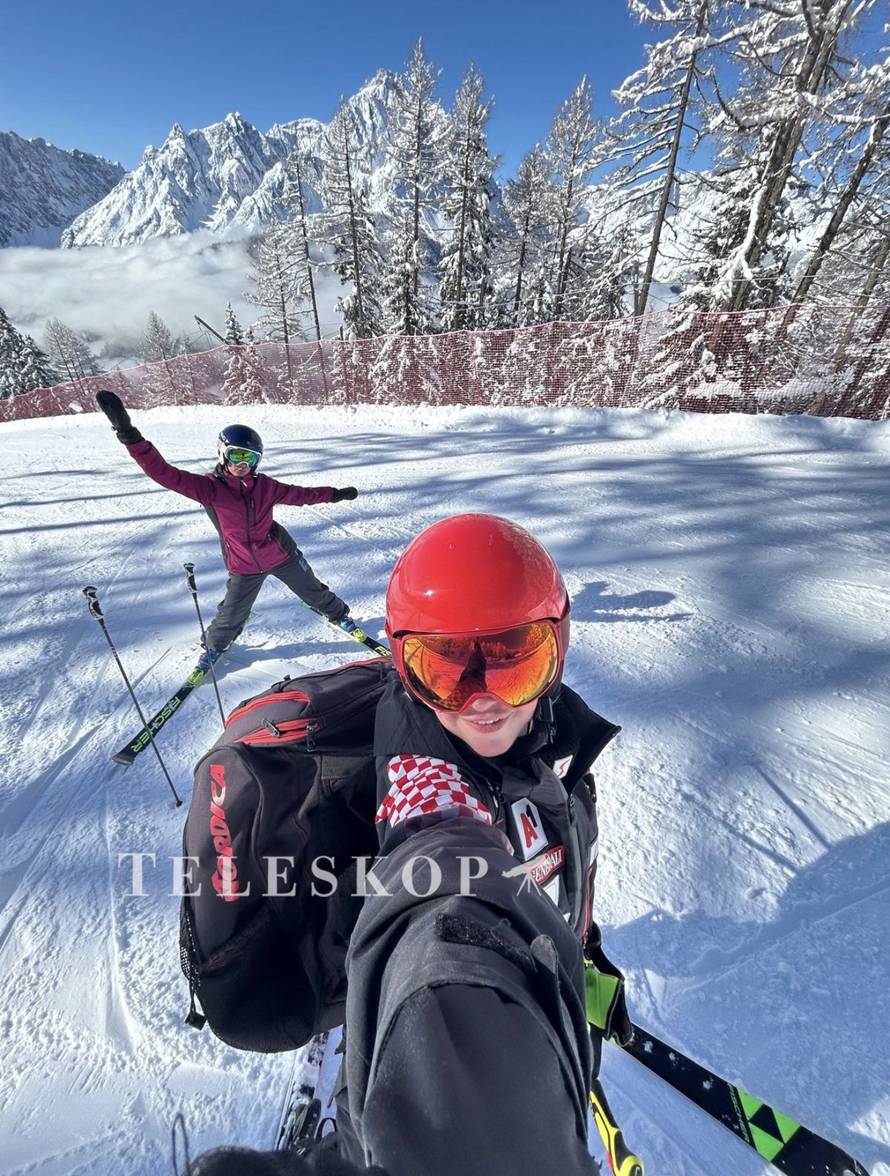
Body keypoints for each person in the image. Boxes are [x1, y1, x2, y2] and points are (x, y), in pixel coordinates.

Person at [187, 514, 628, 1176]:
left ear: (558, 650)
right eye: (446, 669)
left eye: (514, 658)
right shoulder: (423, 794)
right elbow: (446, 885)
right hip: (402, 1000)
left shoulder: (544, 738)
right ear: (401, 662)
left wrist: (577, 945)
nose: (483, 702)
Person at [95, 390, 360, 670]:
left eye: (250, 458)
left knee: (313, 590)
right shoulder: (210, 489)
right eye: (236, 456)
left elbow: (301, 494)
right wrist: (129, 435)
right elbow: (163, 473)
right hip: (244, 565)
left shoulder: (265, 486)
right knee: (232, 614)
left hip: (281, 555)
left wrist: (334, 494)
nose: (242, 464)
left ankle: (338, 615)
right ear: (223, 454)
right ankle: (215, 648)